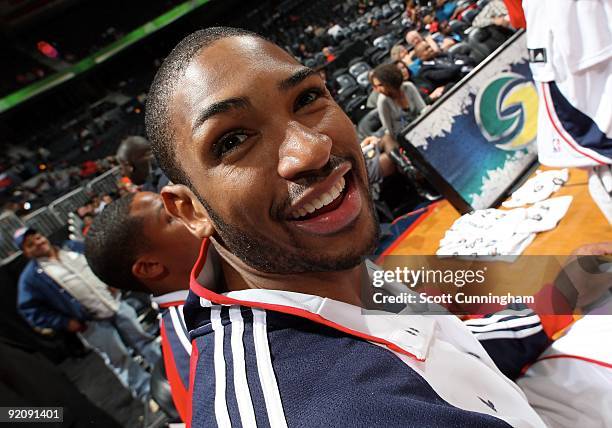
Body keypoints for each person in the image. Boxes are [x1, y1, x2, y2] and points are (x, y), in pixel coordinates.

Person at [143, 26, 603, 427]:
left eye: (307, 98)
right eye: (234, 140)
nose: (311, 150)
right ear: (190, 211)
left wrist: (556, 298)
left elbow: (449, 349)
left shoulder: (319, 269)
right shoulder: (319, 410)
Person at [85, 191, 201, 421]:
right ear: (150, 267)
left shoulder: (200, 302)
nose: (189, 208)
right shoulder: (200, 336)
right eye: (170, 217)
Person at [15, 227, 160, 401]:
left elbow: (98, 260)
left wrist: (110, 278)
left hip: (115, 305)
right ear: (26, 253)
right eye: (30, 244)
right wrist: (65, 322)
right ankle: (150, 396)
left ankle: (171, 374)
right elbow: (30, 310)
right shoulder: (30, 279)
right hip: (91, 324)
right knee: (120, 359)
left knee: (144, 340)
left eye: (37, 237)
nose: (38, 243)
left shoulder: (71, 247)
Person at [371, 64, 426, 141]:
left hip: (422, 126)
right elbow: (389, 130)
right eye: (375, 86)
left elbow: (423, 109)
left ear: (390, 82)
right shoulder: (383, 101)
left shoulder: (409, 87)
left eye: (380, 85)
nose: (377, 90)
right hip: (404, 138)